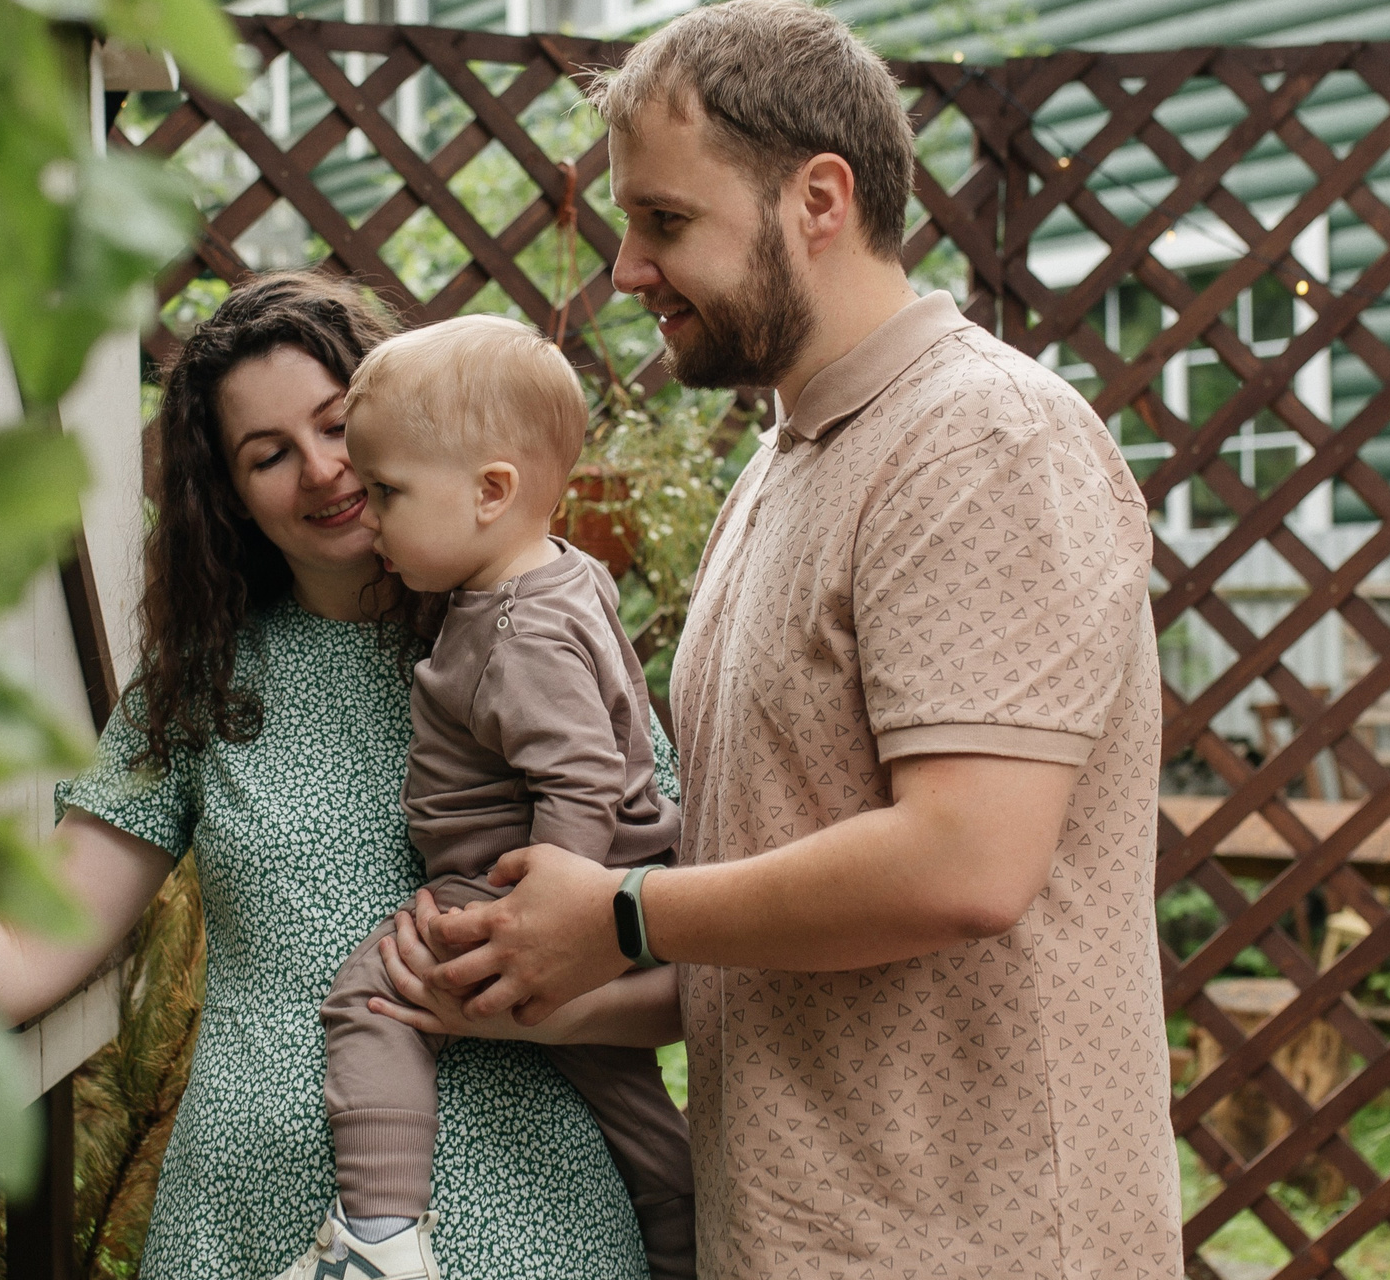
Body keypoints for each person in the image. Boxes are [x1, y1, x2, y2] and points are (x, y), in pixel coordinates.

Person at [375, 3, 1185, 1277]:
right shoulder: (791, 458)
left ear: (818, 198)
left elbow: (965, 859)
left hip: (978, 1241)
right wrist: (528, 974)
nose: (626, 270)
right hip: (808, 1229)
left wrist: (623, 913)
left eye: (665, 220)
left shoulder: (978, 440)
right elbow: (757, 898)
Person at [0, 272, 658, 1280]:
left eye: (338, 425)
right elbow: (14, 951)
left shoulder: (536, 635)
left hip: (530, 1232)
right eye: (268, 454)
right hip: (247, 1232)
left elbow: (678, 974)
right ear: (230, 495)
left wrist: (505, 1001)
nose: (325, 471)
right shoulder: (199, 688)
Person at [270, 316, 693, 1280]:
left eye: (387, 492)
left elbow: (581, 777)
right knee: (637, 1118)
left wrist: (547, 921)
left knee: (374, 1001)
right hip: (595, 886)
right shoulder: (563, 579)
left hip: (519, 884)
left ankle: (379, 1239)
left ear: (491, 492)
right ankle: (688, 1243)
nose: (367, 515)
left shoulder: (516, 635)